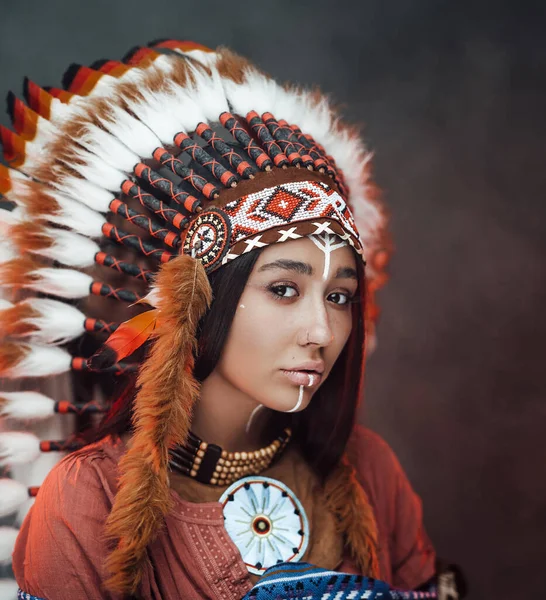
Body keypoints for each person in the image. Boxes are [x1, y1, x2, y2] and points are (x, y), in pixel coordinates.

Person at [0, 40, 443, 599]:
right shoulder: (90, 494)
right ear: (198, 301)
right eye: (284, 289)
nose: (322, 333)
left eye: (338, 297)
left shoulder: (368, 470)